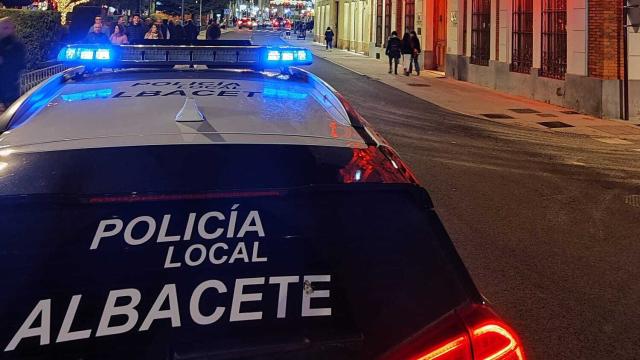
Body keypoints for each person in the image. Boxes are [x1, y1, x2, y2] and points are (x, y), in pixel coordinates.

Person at [0, 17, 26, 109]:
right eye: (4, 28)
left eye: (8, 28)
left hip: (10, 89)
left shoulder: (17, 45)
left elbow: (19, 64)